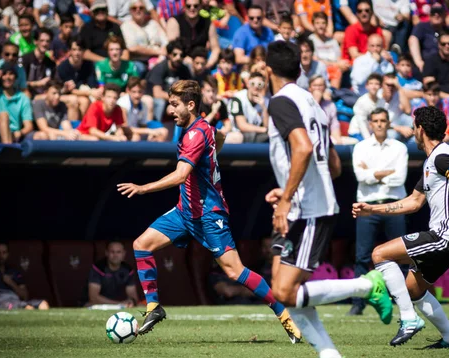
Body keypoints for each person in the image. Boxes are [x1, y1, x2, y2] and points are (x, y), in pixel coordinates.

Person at [116, 79, 301, 343]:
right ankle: (153, 307)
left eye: (175, 105)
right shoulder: (202, 128)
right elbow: (220, 137)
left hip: (209, 215)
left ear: (190, 105)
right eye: (170, 104)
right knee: (141, 245)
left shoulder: (194, 134)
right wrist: (211, 155)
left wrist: (143, 188)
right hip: (185, 212)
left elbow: (181, 176)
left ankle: (284, 315)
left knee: (235, 272)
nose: (170, 110)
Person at [263, 40, 391, 358]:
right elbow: (333, 164)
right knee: (284, 286)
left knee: (284, 291)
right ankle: (330, 357)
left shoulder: (280, 101)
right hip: (307, 204)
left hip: (308, 209)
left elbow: (303, 149)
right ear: (300, 69)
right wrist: (288, 186)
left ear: (267, 70)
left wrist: (289, 195)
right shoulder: (313, 103)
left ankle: (367, 286)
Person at [353, 106, 449, 348]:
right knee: (413, 290)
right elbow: (414, 202)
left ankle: (408, 319)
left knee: (380, 254)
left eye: (413, 127)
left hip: (445, 235)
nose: (411, 132)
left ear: (420, 129)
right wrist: (372, 209)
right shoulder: (432, 161)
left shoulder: (442, 157)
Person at [348, 108, 408, 315]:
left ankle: (404, 301)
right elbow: (359, 176)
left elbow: (399, 179)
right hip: (367, 205)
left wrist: (371, 173)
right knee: (362, 256)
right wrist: (385, 173)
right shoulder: (360, 147)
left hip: (394, 205)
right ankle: (358, 303)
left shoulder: (399, 147)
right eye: (376, 120)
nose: (380, 124)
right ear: (370, 124)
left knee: (401, 255)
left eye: (383, 120)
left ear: (388, 122)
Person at [0, 242, 49, 310]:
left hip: (15, 299)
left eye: (4, 252)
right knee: (27, 308)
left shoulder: (14, 272)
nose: (1, 256)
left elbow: (25, 296)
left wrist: (11, 283)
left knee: (43, 304)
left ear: (8, 254)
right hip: (0, 301)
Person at [0, 63, 35, 146]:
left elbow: (28, 125)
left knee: (41, 136)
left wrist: (19, 133)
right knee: (4, 115)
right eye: (4, 74)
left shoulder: (23, 98)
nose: (7, 77)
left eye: (11, 74)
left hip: (13, 135)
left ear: (15, 77)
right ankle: (8, 151)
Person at [146, 39, 192, 122]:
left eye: (181, 55)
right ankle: (157, 128)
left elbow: (189, 90)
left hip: (173, 101)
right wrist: (178, 99)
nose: (178, 58)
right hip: (155, 100)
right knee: (160, 103)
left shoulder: (184, 70)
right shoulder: (160, 68)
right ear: (169, 55)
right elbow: (157, 94)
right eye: (175, 54)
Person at [166, 0, 220, 68]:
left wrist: (208, 65)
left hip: (201, 64)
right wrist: (185, 59)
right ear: (184, 6)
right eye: (188, 6)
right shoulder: (174, 21)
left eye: (195, 6)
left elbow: (216, 49)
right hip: (181, 62)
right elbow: (173, 49)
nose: (192, 8)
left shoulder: (208, 23)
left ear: (200, 6)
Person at [55, 37, 99, 121]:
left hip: (84, 93)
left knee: (89, 101)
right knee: (83, 101)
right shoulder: (63, 67)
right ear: (70, 51)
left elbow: (93, 84)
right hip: (66, 94)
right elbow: (70, 90)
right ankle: (78, 126)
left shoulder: (88, 65)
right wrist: (89, 92)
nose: (77, 53)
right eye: (74, 49)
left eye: (79, 50)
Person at [86, 241, 139, 307]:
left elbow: (133, 297)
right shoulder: (98, 268)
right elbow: (93, 298)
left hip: (121, 306)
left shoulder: (128, 270)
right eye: (112, 252)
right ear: (106, 253)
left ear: (124, 253)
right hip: (100, 306)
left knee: (141, 306)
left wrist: (131, 302)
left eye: (118, 252)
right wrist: (118, 304)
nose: (115, 255)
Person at [117, 77, 169, 141]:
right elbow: (125, 127)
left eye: (140, 92)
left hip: (136, 130)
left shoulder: (143, 105)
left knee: (163, 132)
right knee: (136, 137)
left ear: (143, 92)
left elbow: (143, 125)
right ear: (128, 91)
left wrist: (150, 134)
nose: (137, 95)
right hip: (122, 132)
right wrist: (149, 131)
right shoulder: (122, 103)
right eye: (134, 92)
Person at [422, 27, 449, 96]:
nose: (447, 46)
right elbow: (429, 88)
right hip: (438, 100)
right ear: (439, 45)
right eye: (443, 44)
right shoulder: (430, 61)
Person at [228, 72, 269, 143]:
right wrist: (264, 130)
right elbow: (242, 126)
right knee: (236, 138)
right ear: (248, 84)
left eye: (259, 84)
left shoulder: (265, 101)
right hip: (239, 135)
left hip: (258, 136)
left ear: (263, 86)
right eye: (252, 83)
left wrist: (264, 108)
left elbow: (267, 126)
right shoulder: (238, 98)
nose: (256, 87)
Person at [22, 28, 57, 98]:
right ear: (35, 41)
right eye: (42, 41)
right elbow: (19, 83)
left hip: (45, 96)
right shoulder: (25, 59)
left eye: (48, 41)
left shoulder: (51, 63)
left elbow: (55, 82)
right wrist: (38, 83)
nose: (45, 44)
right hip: (28, 95)